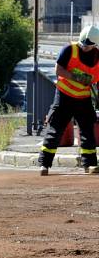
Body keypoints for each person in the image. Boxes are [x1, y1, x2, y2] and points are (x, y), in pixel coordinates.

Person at [38, 25, 99, 176]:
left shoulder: (97, 57)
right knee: (55, 129)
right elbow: (58, 69)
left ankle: (90, 165)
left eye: (88, 46)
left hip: (83, 99)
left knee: (87, 131)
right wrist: (77, 77)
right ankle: (44, 165)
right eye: (83, 44)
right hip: (64, 96)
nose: (84, 48)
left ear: (95, 44)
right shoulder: (69, 50)